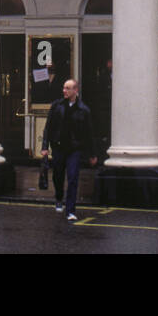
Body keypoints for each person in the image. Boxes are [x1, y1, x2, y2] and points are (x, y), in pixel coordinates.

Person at [41, 78, 96, 221]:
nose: (64, 91)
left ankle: (70, 210)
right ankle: (59, 197)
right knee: (58, 176)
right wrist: (45, 147)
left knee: (73, 178)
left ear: (76, 90)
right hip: (58, 147)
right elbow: (48, 128)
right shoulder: (56, 106)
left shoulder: (84, 110)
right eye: (64, 88)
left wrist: (92, 154)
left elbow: (89, 133)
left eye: (68, 88)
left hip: (74, 149)